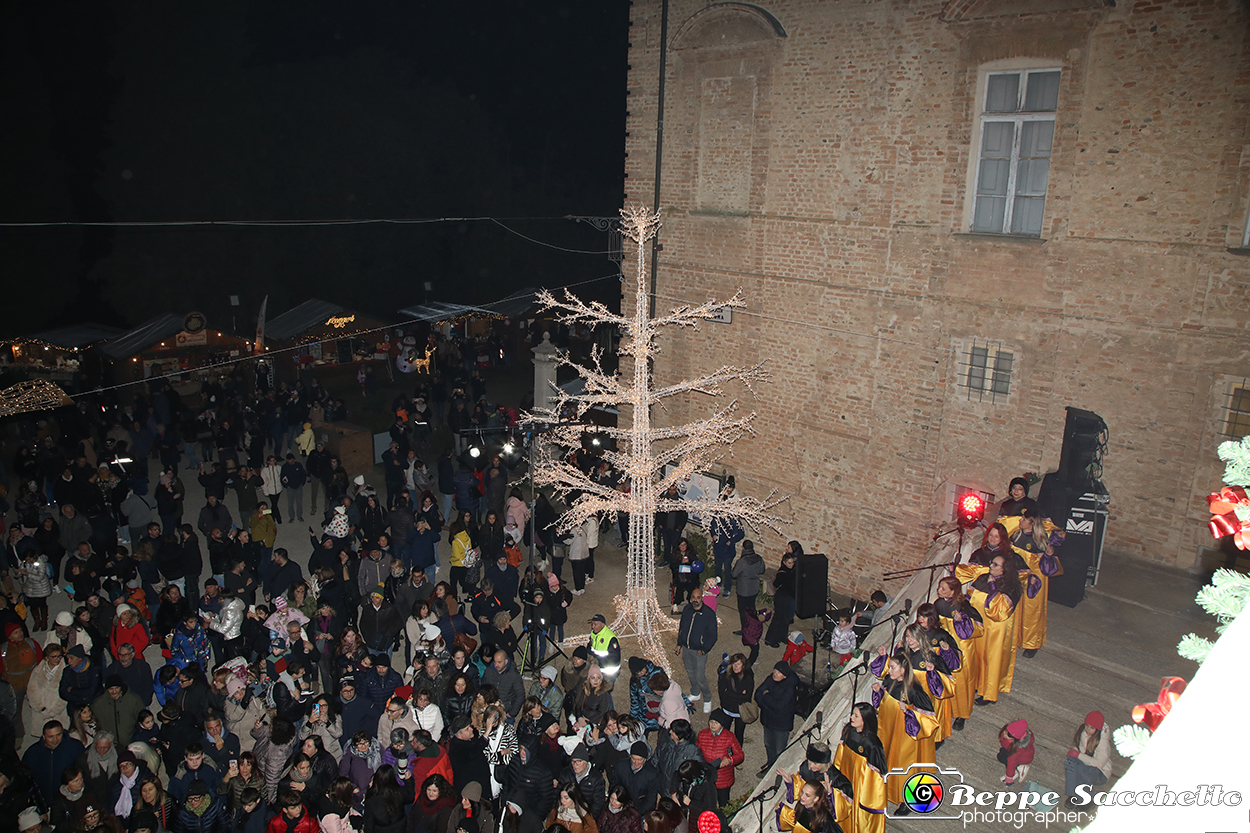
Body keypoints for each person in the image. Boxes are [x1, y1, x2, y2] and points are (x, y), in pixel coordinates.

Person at [871, 651, 937, 817]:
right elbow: (884, 704)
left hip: (905, 734)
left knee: (903, 765)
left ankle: (906, 800)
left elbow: (930, 719)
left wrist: (909, 712)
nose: (889, 670)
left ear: (903, 670)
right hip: (888, 729)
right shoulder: (889, 681)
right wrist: (878, 692)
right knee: (887, 758)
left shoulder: (913, 690)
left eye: (893, 667)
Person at [954, 553, 1023, 704]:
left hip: (995, 629)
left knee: (990, 658)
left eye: (995, 565)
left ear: (1004, 569)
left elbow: (999, 612)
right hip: (978, 624)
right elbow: (970, 597)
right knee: (976, 655)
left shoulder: (1012, 587)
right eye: (992, 563)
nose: (991, 566)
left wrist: (993, 586)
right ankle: (975, 684)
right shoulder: (982, 578)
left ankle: (989, 693)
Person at [999, 511, 1062, 658]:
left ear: (1032, 523)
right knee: (1014, 606)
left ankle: (1031, 643)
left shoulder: (1041, 540)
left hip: (1034, 579)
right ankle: (1013, 639)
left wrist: (1049, 554)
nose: (1020, 521)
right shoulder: (1016, 535)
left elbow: (1048, 565)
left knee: (1032, 610)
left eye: (1024, 519)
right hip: (1017, 575)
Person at [832, 702, 887, 833]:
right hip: (846, 777)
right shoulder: (849, 731)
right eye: (853, 714)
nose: (852, 717)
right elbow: (840, 755)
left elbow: (877, 777)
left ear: (865, 720)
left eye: (856, 716)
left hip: (861, 785)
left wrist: (865, 796)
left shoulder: (872, 743)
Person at [778, 742, 854, 832]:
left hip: (824, 825)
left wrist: (831, 793)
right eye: (810, 761)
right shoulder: (806, 768)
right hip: (807, 815)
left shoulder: (837, 779)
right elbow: (803, 789)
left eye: (815, 763)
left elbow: (844, 809)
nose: (811, 766)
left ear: (825, 763)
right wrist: (791, 782)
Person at [23, 720, 86, 803]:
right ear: (43, 737)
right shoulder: (32, 753)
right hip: (42, 802)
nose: (55, 740)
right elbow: (25, 778)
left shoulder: (75, 747)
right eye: (50, 736)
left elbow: (85, 771)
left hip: (69, 801)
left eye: (58, 735)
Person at [754, 661, 798, 777]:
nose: (775, 674)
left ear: (785, 675)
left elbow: (779, 706)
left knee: (780, 751)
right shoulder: (770, 679)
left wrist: (766, 696)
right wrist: (769, 701)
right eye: (775, 671)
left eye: (778, 672)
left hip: (781, 726)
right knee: (769, 745)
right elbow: (757, 694)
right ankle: (770, 768)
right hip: (768, 721)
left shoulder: (790, 688)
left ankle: (779, 774)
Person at [675, 590, 716, 712]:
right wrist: (679, 644)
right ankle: (695, 692)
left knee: (700, 676)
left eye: (698, 597)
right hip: (687, 648)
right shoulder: (687, 610)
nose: (695, 600)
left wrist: (704, 650)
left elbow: (713, 636)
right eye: (693, 597)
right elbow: (682, 627)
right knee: (690, 672)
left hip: (699, 651)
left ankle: (707, 698)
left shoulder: (709, 614)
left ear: (702, 598)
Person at [696, 709, 743, 805]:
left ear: (722, 724)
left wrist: (730, 760)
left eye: (716, 723)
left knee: (723, 802)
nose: (713, 725)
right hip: (707, 777)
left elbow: (740, 755)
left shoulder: (729, 737)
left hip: (723, 778)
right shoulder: (702, 735)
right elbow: (696, 752)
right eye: (711, 722)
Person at [1064, 711, 1111, 808]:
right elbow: (1081, 749)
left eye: (1092, 728)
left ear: (1098, 729)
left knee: (1083, 771)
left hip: (1100, 772)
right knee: (1070, 763)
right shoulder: (1083, 733)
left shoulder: (1102, 743)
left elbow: (1098, 764)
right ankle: (1073, 794)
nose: (1088, 729)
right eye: (1087, 726)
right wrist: (1075, 752)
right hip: (1086, 763)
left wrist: (1078, 755)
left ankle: (1087, 800)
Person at [765, 543, 800, 647]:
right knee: (778, 619)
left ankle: (782, 636)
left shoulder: (792, 571)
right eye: (789, 563)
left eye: (792, 563)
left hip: (789, 598)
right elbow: (777, 584)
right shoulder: (782, 572)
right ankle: (771, 639)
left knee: (786, 619)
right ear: (784, 563)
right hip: (782, 597)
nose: (791, 565)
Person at [611, 741, 659, 815]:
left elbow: (651, 799)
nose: (636, 762)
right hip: (621, 806)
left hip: (639, 809)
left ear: (645, 759)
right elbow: (613, 785)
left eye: (640, 760)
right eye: (633, 759)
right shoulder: (620, 766)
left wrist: (637, 813)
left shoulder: (651, 774)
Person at [777, 779, 842, 833]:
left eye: (807, 795)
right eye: (802, 792)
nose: (802, 796)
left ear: (816, 799)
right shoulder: (802, 805)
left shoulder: (824, 819)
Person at [730, 540, 765, 634]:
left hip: (743, 590)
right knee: (752, 608)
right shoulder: (759, 558)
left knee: (743, 611)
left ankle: (745, 630)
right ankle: (753, 626)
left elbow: (734, 574)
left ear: (743, 548)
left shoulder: (742, 562)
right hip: (754, 588)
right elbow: (762, 571)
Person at [362, 765, 410, 833]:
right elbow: (411, 796)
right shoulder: (399, 792)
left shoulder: (371, 800)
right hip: (400, 829)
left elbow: (369, 826)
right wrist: (408, 780)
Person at [998, 719, 1035, 785]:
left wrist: (1009, 778)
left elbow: (1012, 762)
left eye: (1008, 735)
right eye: (1006, 730)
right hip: (1010, 749)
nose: (1004, 733)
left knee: (1002, 758)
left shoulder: (1016, 750)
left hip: (1021, 759)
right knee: (1001, 754)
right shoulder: (1019, 735)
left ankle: (1020, 767)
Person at [585, 615, 621, 682]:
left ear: (602, 625)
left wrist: (596, 660)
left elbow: (614, 659)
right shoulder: (594, 633)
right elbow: (590, 647)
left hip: (608, 672)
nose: (593, 627)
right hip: (597, 666)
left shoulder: (611, 639)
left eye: (595, 624)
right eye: (592, 624)